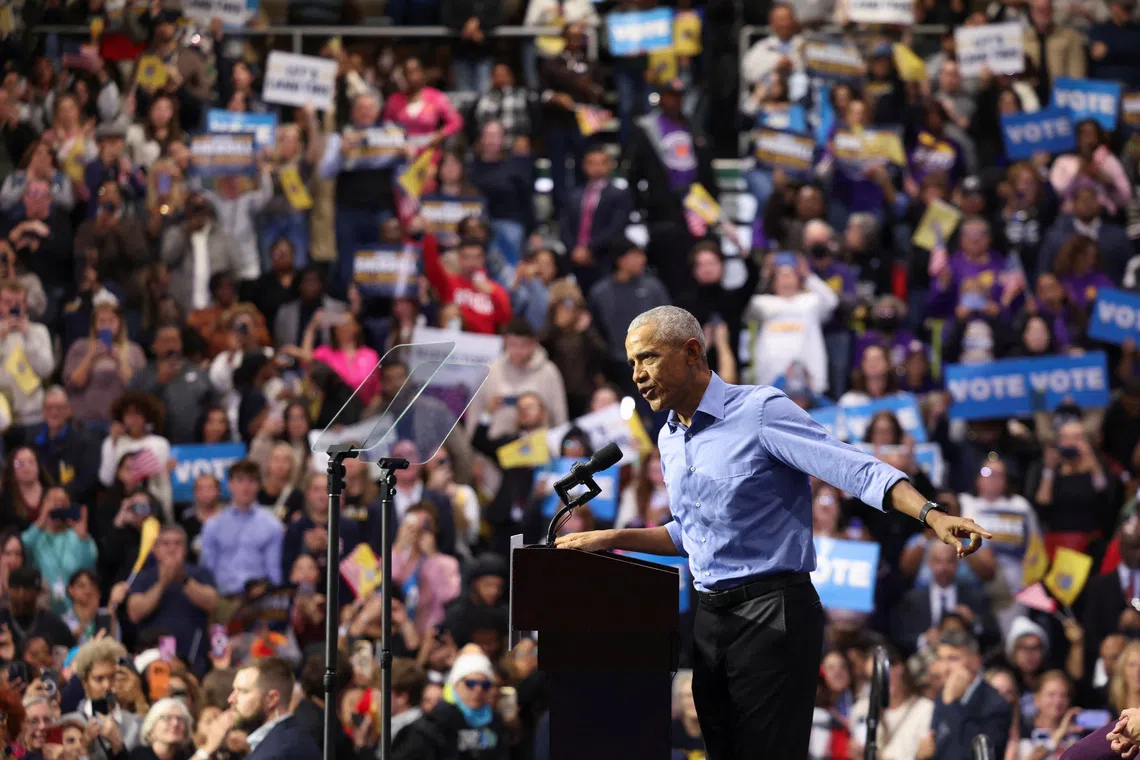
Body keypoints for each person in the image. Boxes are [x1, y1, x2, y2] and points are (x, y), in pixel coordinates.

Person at [553, 305, 991, 759]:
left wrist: (932, 515)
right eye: (632, 365)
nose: (639, 376)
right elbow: (693, 535)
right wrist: (607, 539)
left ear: (692, 352)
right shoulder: (669, 437)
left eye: (648, 358)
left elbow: (853, 469)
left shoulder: (760, 411)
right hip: (710, 621)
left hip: (773, 611)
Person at [195, 657, 320, 760]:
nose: (231, 699)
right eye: (234, 690)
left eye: (243, 691)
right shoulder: (292, 738)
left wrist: (207, 749)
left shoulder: (275, 753)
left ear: (271, 699)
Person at [131, 698, 195, 760]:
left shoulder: (188, 756)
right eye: (167, 718)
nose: (175, 723)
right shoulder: (137, 756)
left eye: (180, 719)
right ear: (152, 726)